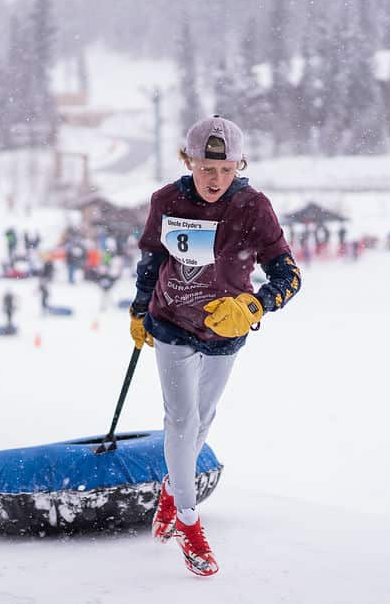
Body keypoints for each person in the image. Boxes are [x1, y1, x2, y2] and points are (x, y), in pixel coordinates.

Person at [129, 115, 301, 577]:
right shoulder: (166, 201)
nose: (216, 180)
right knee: (180, 421)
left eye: (226, 170)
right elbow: (153, 259)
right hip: (170, 322)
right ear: (188, 161)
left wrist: (254, 307)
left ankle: (172, 491)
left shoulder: (253, 207)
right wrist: (139, 308)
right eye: (206, 168)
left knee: (202, 421)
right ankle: (190, 524)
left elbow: (289, 275)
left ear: (240, 166)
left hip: (224, 330)